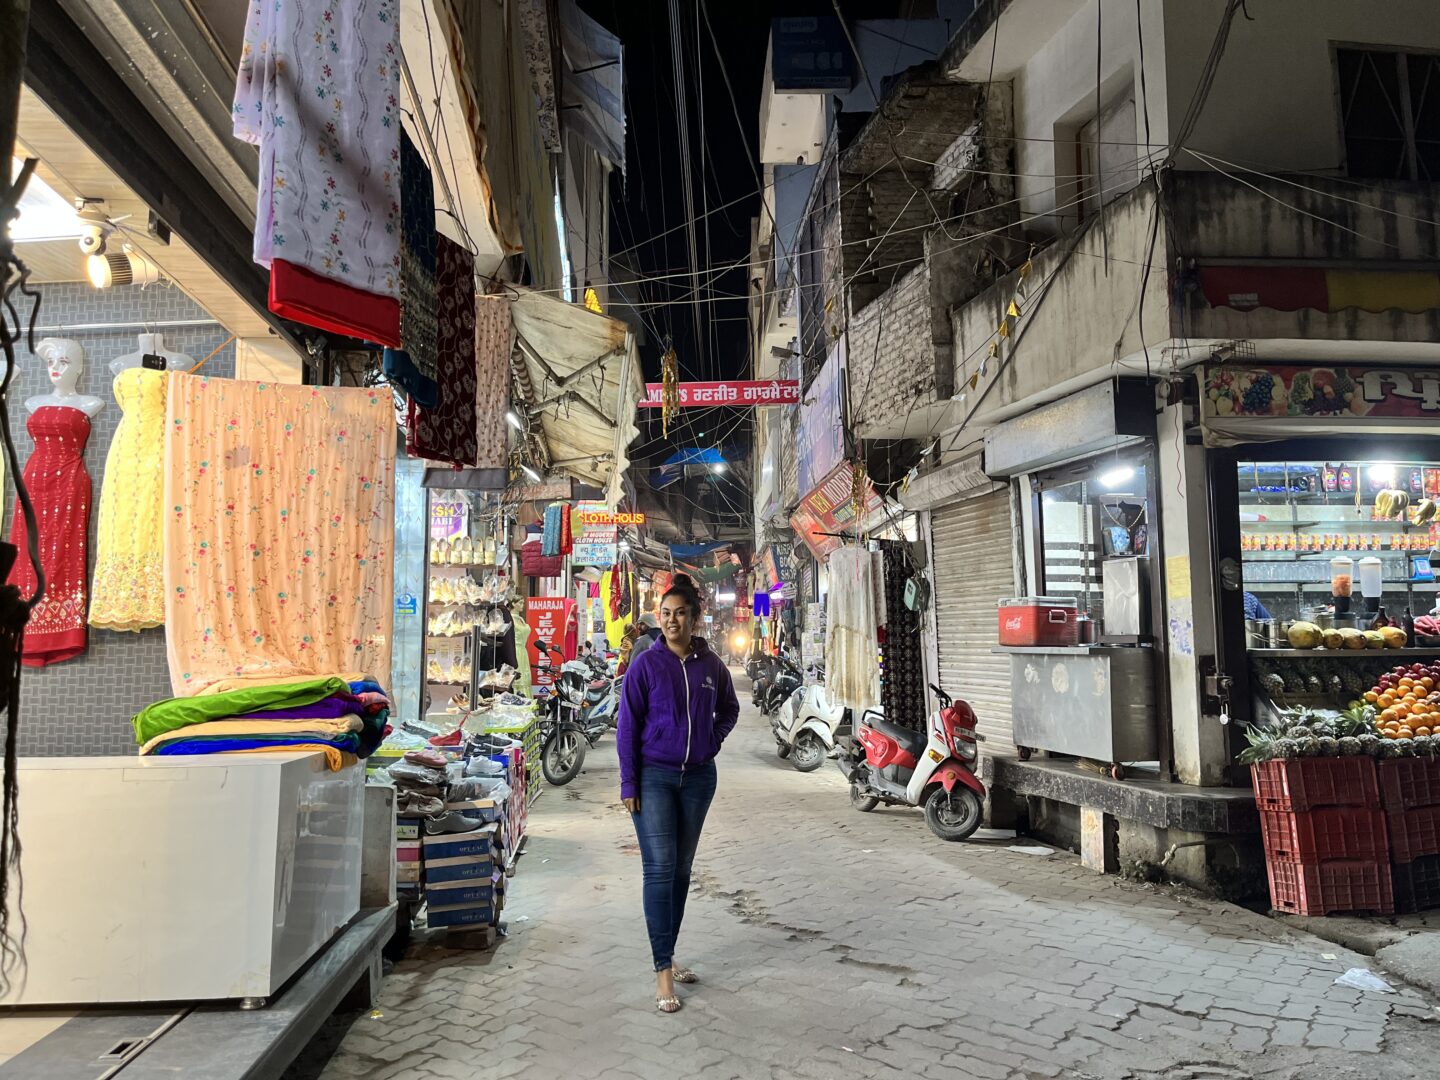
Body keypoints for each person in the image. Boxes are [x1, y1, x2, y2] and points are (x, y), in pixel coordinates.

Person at [615, 574, 739, 1014]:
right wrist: (629, 782)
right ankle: (662, 969)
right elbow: (627, 725)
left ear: (694, 618)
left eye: (679, 613)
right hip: (654, 778)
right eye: (665, 614)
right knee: (660, 867)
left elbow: (730, 708)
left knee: (682, 870)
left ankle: (669, 949)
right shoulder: (645, 665)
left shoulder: (710, 666)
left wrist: (712, 738)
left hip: (699, 779)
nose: (671, 621)